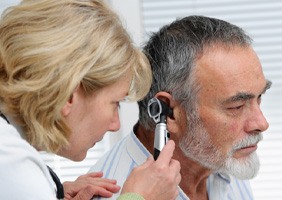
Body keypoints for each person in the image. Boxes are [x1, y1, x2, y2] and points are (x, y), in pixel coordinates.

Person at [0, 0, 181, 200]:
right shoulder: (13, 168)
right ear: (67, 96)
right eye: (115, 103)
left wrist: (53, 191)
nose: (115, 124)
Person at [89, 15, 272, 200]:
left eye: (259, 98)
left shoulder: (223, 157)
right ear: (170, 113)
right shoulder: (111, 193)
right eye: (237, 107)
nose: (261, 123)